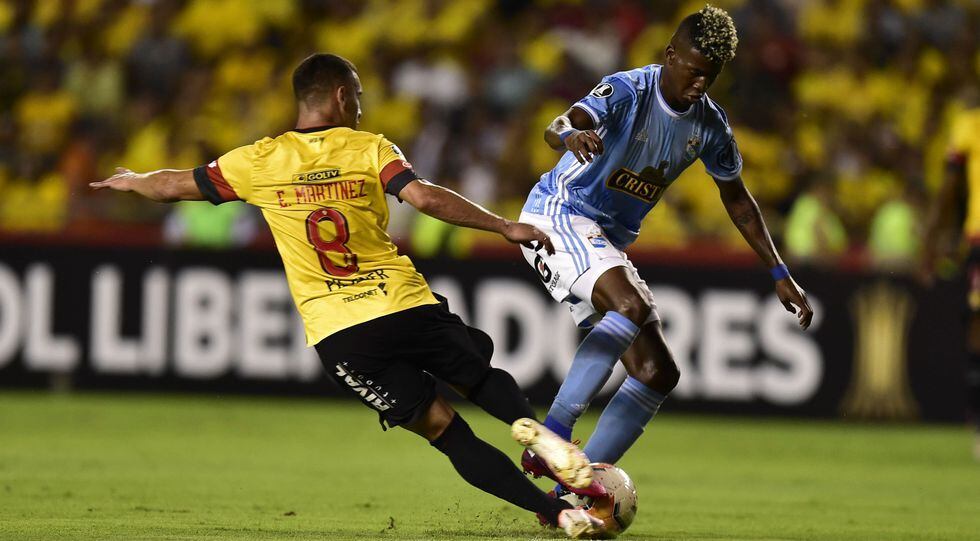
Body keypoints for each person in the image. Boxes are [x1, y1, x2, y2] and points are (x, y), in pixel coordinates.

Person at [91, 53, 607, 538]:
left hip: (341, 333)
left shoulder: (260, 160)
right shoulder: (369, 148)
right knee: (479, 378)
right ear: (340, 96)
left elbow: (173, 185)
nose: (360, 107)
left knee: (447, 434)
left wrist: (134, 180)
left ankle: (559, 515)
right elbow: (424, 197)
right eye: (356, 96)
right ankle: (541, 439)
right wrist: (502, 226)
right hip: (402, 303)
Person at [517, 5, 814, 487]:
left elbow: (738, 200)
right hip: (558, 214)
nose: (700, 84)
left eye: (710, 76)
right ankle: (550, 439)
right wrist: (571, 135)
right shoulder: (628, 89)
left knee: (657, 371)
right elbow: (559, 124)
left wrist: (780, 273)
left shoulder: (710, 126)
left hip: (604, 240)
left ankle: (568, 495)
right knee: (629, 305)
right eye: (694, 71)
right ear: (670, 55)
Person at [921, 91, 980, 460]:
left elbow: (948, 188)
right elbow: (949, 187)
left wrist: (929, 241)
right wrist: (933, 237)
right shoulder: (969, 124)